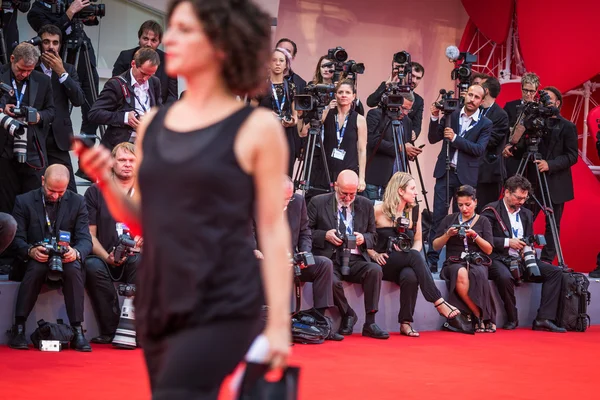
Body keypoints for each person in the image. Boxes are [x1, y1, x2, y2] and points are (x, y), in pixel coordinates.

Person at [74, 0, 291, 397]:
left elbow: (274, 234)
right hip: (160, 298)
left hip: (222, 297)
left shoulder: (257, 127)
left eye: (183, 30)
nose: (168, 40)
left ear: (220, 43)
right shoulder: (153, 123)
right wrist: (105, 180)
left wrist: (279, 325)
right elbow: (144, 218)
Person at [7, 164, 93, 351]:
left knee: (74, 268)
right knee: (36, 267)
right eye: (51, 190)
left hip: (64, 259)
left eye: (60, 192)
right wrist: (30, 251)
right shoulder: (24, 201)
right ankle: (19, 327)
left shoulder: (77, 202)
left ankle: (78, 330)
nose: (55, 196)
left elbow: (86, 240)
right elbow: (16, 239)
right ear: (43, 181)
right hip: (34, 259)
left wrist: (75, 252)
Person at [368, 172, 464, 336]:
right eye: (412, 188)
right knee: (413, 256)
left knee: (411, 274)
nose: (416, 193)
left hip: (405, 261)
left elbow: (418, 241)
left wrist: (411, 252)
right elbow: (365, 238)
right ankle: (438, 302)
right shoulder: (377, 210)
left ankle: (405, 322)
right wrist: (374, 254)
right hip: (383, 262)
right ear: (400, 190)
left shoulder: (414, 211)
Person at [307, 170, 389, 339]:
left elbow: (374, 237)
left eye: (353, 194)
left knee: (375, 270)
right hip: (331, 257)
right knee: (330, 278)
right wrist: (325, 235)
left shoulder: (366, 204)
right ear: (335, 186)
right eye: (344, 193)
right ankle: (348, 314)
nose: (348, 198)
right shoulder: (318, 202)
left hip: (356, 257)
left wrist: (363, 238)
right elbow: (306, 232)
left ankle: (370, 322)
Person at [480, 175, 566, 332]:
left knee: (555, 273)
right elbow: (485, 239)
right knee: (505, 276)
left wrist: (528, 249)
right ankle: (512, 318)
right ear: (506, 192)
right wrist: (508, 242)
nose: (521, 202)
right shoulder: (491, 210)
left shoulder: (526, 214)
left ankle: (544, 319)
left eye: (524, 198)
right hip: (497, 257)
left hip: (520, 257)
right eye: (518, 197)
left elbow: (529, 238)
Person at [503, 86, 578, 263]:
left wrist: (549, 165)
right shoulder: (534, 123)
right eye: (542, 100)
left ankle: (545, 261)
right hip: (532, 181)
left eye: (548, 100)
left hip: (556, 183)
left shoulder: (567, 126)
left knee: (552, 225)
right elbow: (522, 147)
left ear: (557, 103)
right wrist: (511, 147)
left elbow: (572, 155)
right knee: (524, 219)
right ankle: (523, 257)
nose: (544, 104)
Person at [426, 84, 492, 272]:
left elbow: (479, 149)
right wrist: (434, 117)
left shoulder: (485, 123)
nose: (472, 99)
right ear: (465, 95)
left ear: (481, 101)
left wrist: (455, 139)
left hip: (466, 176)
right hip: (445, 172)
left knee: (460, 219)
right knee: (438, 216)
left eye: (476, 97)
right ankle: (432, 258)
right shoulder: (452, 113)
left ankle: (454, 259)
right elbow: (433, 138)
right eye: (469, 94)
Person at [83, 142, 141, 344]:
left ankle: (136, 331)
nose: (127, 164)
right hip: (104, 255)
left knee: (141, 261)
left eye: (131, 160)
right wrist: (105, 255)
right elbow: (89, 235)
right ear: (112, 164)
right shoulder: (95, 192)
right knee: (91, 265)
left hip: (136, 255)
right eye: (122, 160)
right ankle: (111, 330)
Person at [282, 176, 343, 341]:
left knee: (324, 264)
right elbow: (251, 233)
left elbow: (305, 232)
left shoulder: (298, 201)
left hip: (293, 258)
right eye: (283, 199)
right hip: (270, 260)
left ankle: (320, 321)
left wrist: (304, 253)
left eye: (289, 197)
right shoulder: (258, 202)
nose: (287, 203)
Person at [27, 0, 101, 136]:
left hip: (84, 55)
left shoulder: (66, 1)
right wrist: (70, 12)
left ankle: (86, 154)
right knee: (62, 108)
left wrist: (88, 14)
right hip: (62, 60)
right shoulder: (36, 11)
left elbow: (88, 20)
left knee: (93, 109)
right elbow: (50, 33)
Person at [432, 185, 496, 332]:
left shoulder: (483, 221)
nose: (464, 209)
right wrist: (447, 235)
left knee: (478, 274)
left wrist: (475, 236)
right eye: (460, 205)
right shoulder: (449, 219)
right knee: (461, 272)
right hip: (453, 261)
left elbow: (489, 249)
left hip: (476, 260)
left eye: (468, 204)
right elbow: (435, 246)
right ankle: (479, 314)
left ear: (475, 202)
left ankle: (477, 316)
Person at [0, 42, 55, 215]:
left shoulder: (43, 80)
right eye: (21, 69)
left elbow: (52, 111)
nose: (24, 74)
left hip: (33, 149)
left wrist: (38, 117)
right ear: (12, 59)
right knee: (4, 201)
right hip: (3, 147)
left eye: (29, 70)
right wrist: (2, 110)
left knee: (32, 203)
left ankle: (28, 241)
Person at [37, 24, 85, 193]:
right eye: (46, 42)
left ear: (60, 45)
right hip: (35, 135)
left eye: (55, 43)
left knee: (69, 190)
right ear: (39, 44)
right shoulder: (31, 68)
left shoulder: (69, 69)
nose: (51, 46)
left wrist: (61, 73)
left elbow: (79, 99)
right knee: (38, 187)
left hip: (59, 139)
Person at [88, 48, 162, 151]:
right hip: (119, 147)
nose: (145, 79)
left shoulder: (154, 82)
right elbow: (94, 114)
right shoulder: (115, 84)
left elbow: (158, 109)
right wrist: (125, 117)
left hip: (146, 145)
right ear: (133, 64)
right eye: (143, 73)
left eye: (150, 75)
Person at [300, 79, 367, 192]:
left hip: (348, 170)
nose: (344, 95)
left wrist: (361, 178)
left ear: (353, 96)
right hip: (326, 171)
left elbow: (362, 150)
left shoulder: (359, 119)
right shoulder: (327, 113)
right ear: (335, 95)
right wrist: (322, 111)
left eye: (347, 92)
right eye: (340, 92)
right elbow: (304, 132)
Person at [364, 91, 419, 202]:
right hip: (377, 177)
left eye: (409, 110)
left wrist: (409, 153)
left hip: (398, 180)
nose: (405, 113)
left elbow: (404, 145)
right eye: (403, 108)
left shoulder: (407, 121)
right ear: (395, 102)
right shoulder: (376, 115)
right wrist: (401, 148)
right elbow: (372, 141)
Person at [112, 20, 179, 105]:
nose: (149, 44)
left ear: (159, 42)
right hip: (129, 111)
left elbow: (172, 96)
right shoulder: (125, 56)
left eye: (154, 40)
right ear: (139, 38)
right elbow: (115, 88)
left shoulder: (169, 60)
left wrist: (162, 114)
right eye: (145, 39)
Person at [255, 48, 298, 176]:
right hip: (265, 134)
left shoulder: (291, 87)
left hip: (286, 133)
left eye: (281, 61)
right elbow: (250, 113)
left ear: (286, 64)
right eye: (274, 60)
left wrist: (291, 121)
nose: (278, 63)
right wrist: (267, 115)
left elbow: (296, 117)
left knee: (285, 172)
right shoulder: (261, 86)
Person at [366, 59, 425, 139]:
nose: (414, 80)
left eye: (418, 78)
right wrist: (387, 85)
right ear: (405, 74)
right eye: (412, 76)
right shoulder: (390, 88)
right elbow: (370, 102)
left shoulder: (419, 100)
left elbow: (417, 125)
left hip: (403, 139)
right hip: (383, 138)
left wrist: (414, 133)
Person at [475, 76, 510, 211]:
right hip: (472, 170)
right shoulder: (476, 110)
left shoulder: (500, 115)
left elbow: (491, 141)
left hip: (489, 173)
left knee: (485, 212)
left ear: (486, 90)